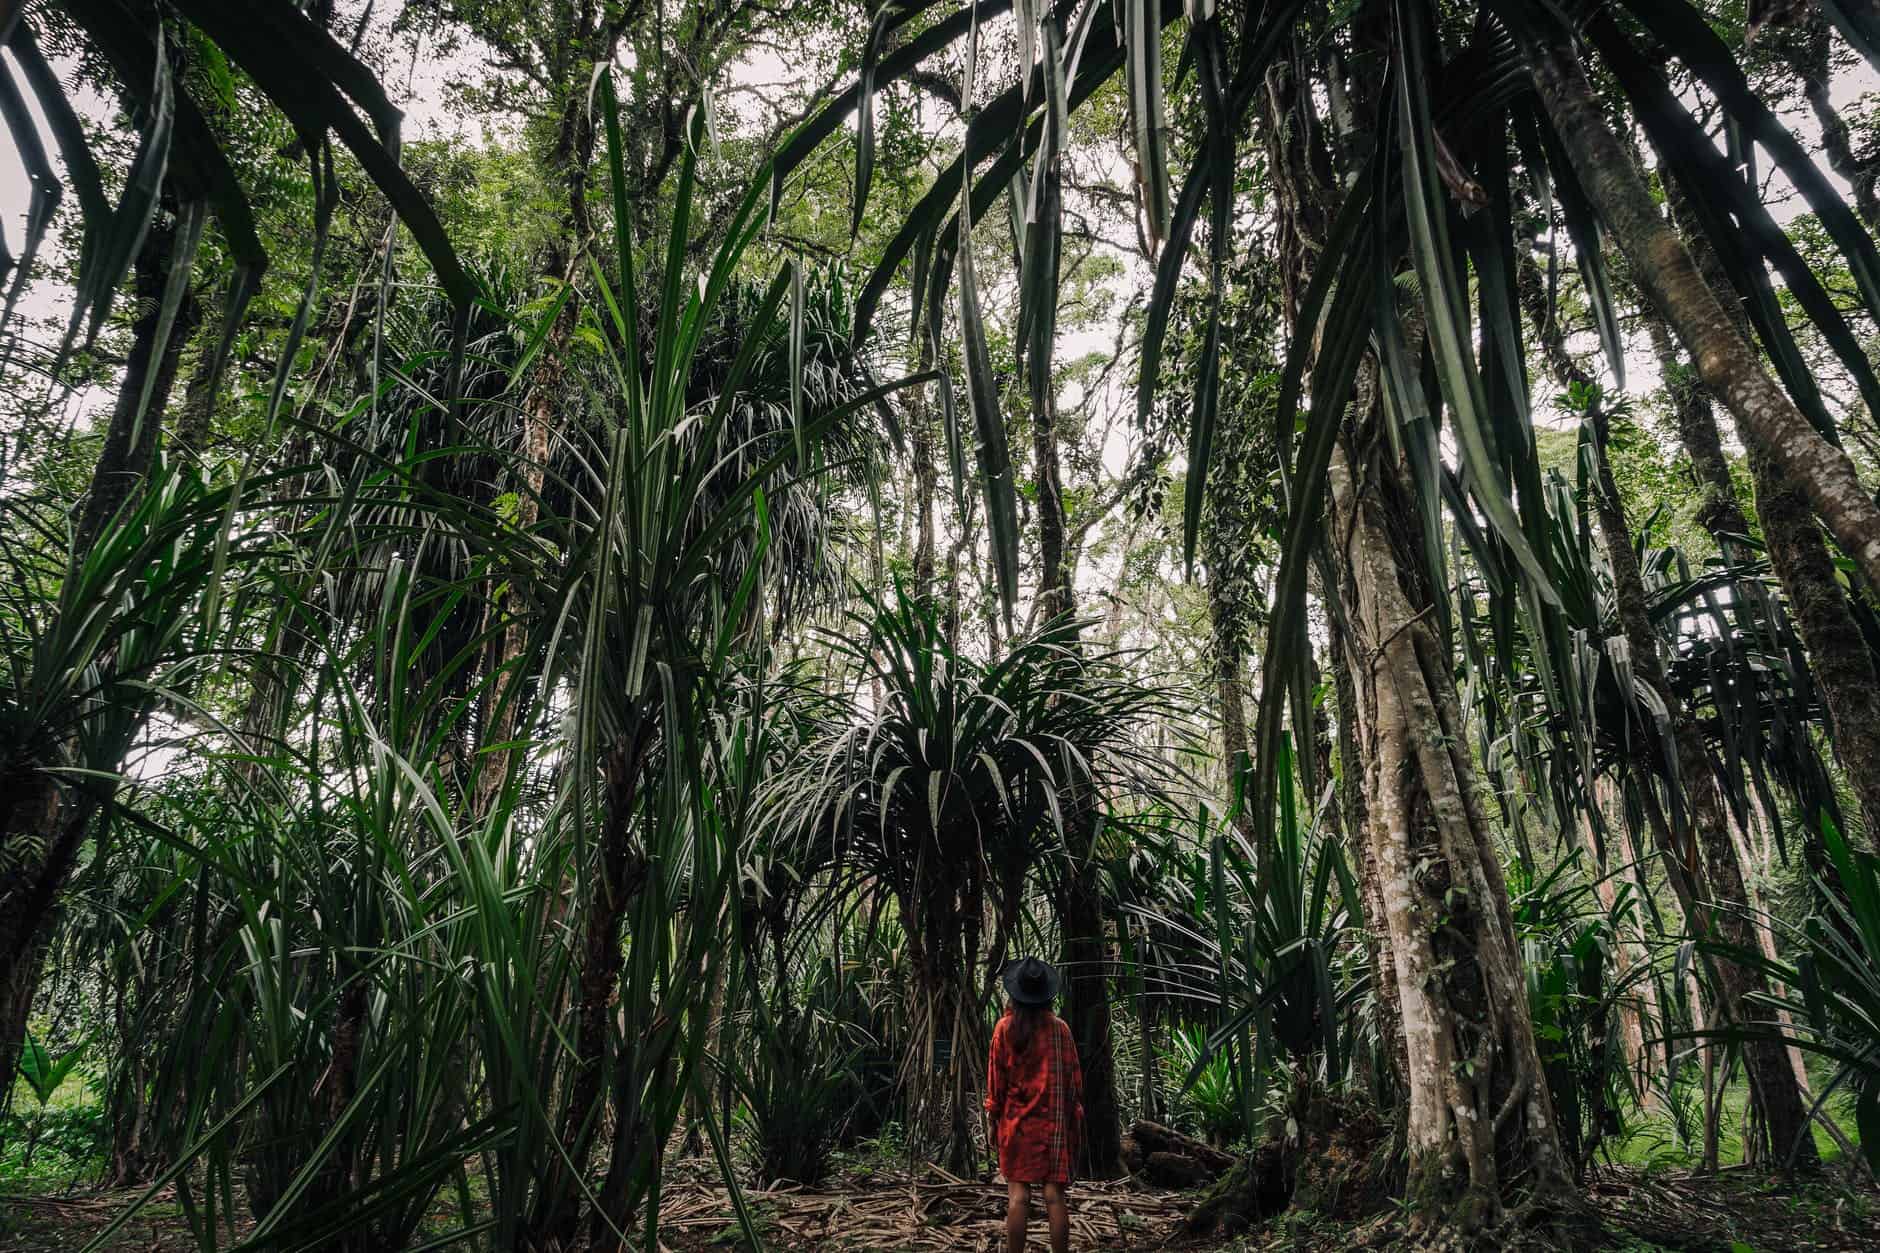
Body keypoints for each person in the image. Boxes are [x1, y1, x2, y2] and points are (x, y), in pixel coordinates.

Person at [985, 957, 1083, 1253]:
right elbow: (1074, 1082)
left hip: (1015, 1126)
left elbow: (995, 1082)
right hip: (1052, 1126)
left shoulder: (1004, 1029)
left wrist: (993, 1120)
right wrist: (1070, 1122)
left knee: (1018, 1197)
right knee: (1055, 1196)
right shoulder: (1060, 1030)